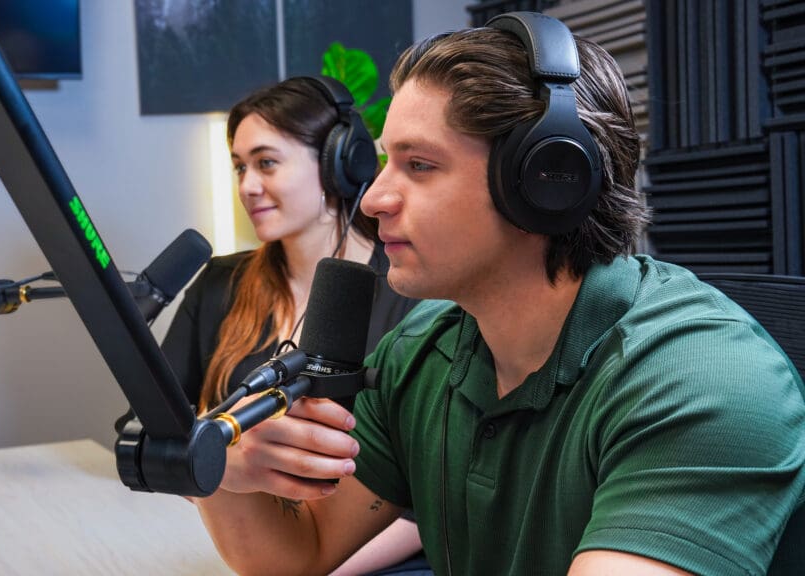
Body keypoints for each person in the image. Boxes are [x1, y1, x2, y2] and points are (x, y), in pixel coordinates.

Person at [191, 13, 805, 576]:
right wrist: (224, 471)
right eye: (383, 163)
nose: (374, 200)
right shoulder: (418, 355)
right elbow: (298, 556)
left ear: (546, 183)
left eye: (419, 165)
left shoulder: (703, 384)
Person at [158, 76, 425, 574]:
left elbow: (421, 499)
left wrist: (321, 565)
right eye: (239, 167)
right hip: (229, 543)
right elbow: (162, 430)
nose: (246, 186)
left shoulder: (415, 297)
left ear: (338, 166)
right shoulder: (220, 283)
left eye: (266, 162)